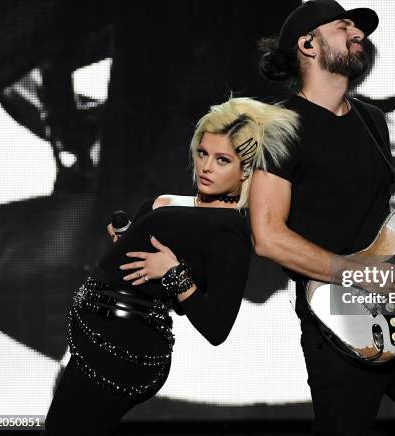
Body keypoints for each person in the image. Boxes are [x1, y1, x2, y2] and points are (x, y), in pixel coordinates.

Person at [250, 0, 395, 436]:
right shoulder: (279, 127)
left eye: (360, 29)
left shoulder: (372, 120)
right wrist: (361, 274)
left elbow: (384, 222)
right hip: (337, 323)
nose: (359, 34)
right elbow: (267, 236)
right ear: (307, 44)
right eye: (344, 27)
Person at [43, 97, 299, 435]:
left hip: (127, 348)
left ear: (246, 171)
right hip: (95, 330)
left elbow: (216, 327)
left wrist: (174, 272)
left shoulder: (229, 233)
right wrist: (127, 243)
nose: (207, 167)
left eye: (222, 160)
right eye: (203, 153)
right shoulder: (173, 201)